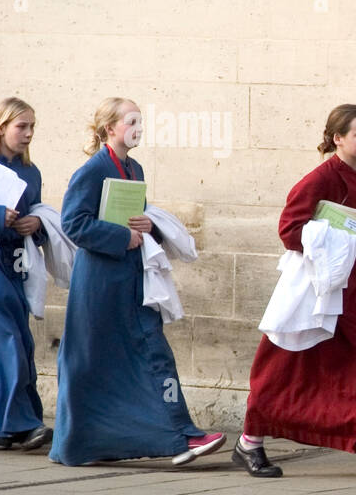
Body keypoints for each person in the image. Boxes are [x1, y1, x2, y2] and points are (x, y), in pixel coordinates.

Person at [233, 104, 356, 481]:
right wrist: (327, 240)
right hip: (314, 295)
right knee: (282, 370)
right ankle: (249, 443)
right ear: (337, 138)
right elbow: (289, 229)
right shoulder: (319, 179)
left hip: (351, 292)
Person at [49, 98, 225, 467]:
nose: (138, 128)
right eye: (131, 121)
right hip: (100, 283)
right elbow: (73, 223)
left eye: (140, 121)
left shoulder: (135, 167)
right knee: (93, 361)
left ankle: (178, 435)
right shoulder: (92, 171)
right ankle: (84, 444)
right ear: (109, 128)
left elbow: (135, 215)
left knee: (149, 352)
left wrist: (147, 227)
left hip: (132, 278)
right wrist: (119, 237)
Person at [0, 98, 50, 451]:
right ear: (1, 126)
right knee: (6, 340)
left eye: (33, 126)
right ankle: (19, 423)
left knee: (12, 339)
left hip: (15, 262)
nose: (29, 134)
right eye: (22, 126)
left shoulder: (31, 172)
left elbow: (38, 213)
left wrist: (37, 224)